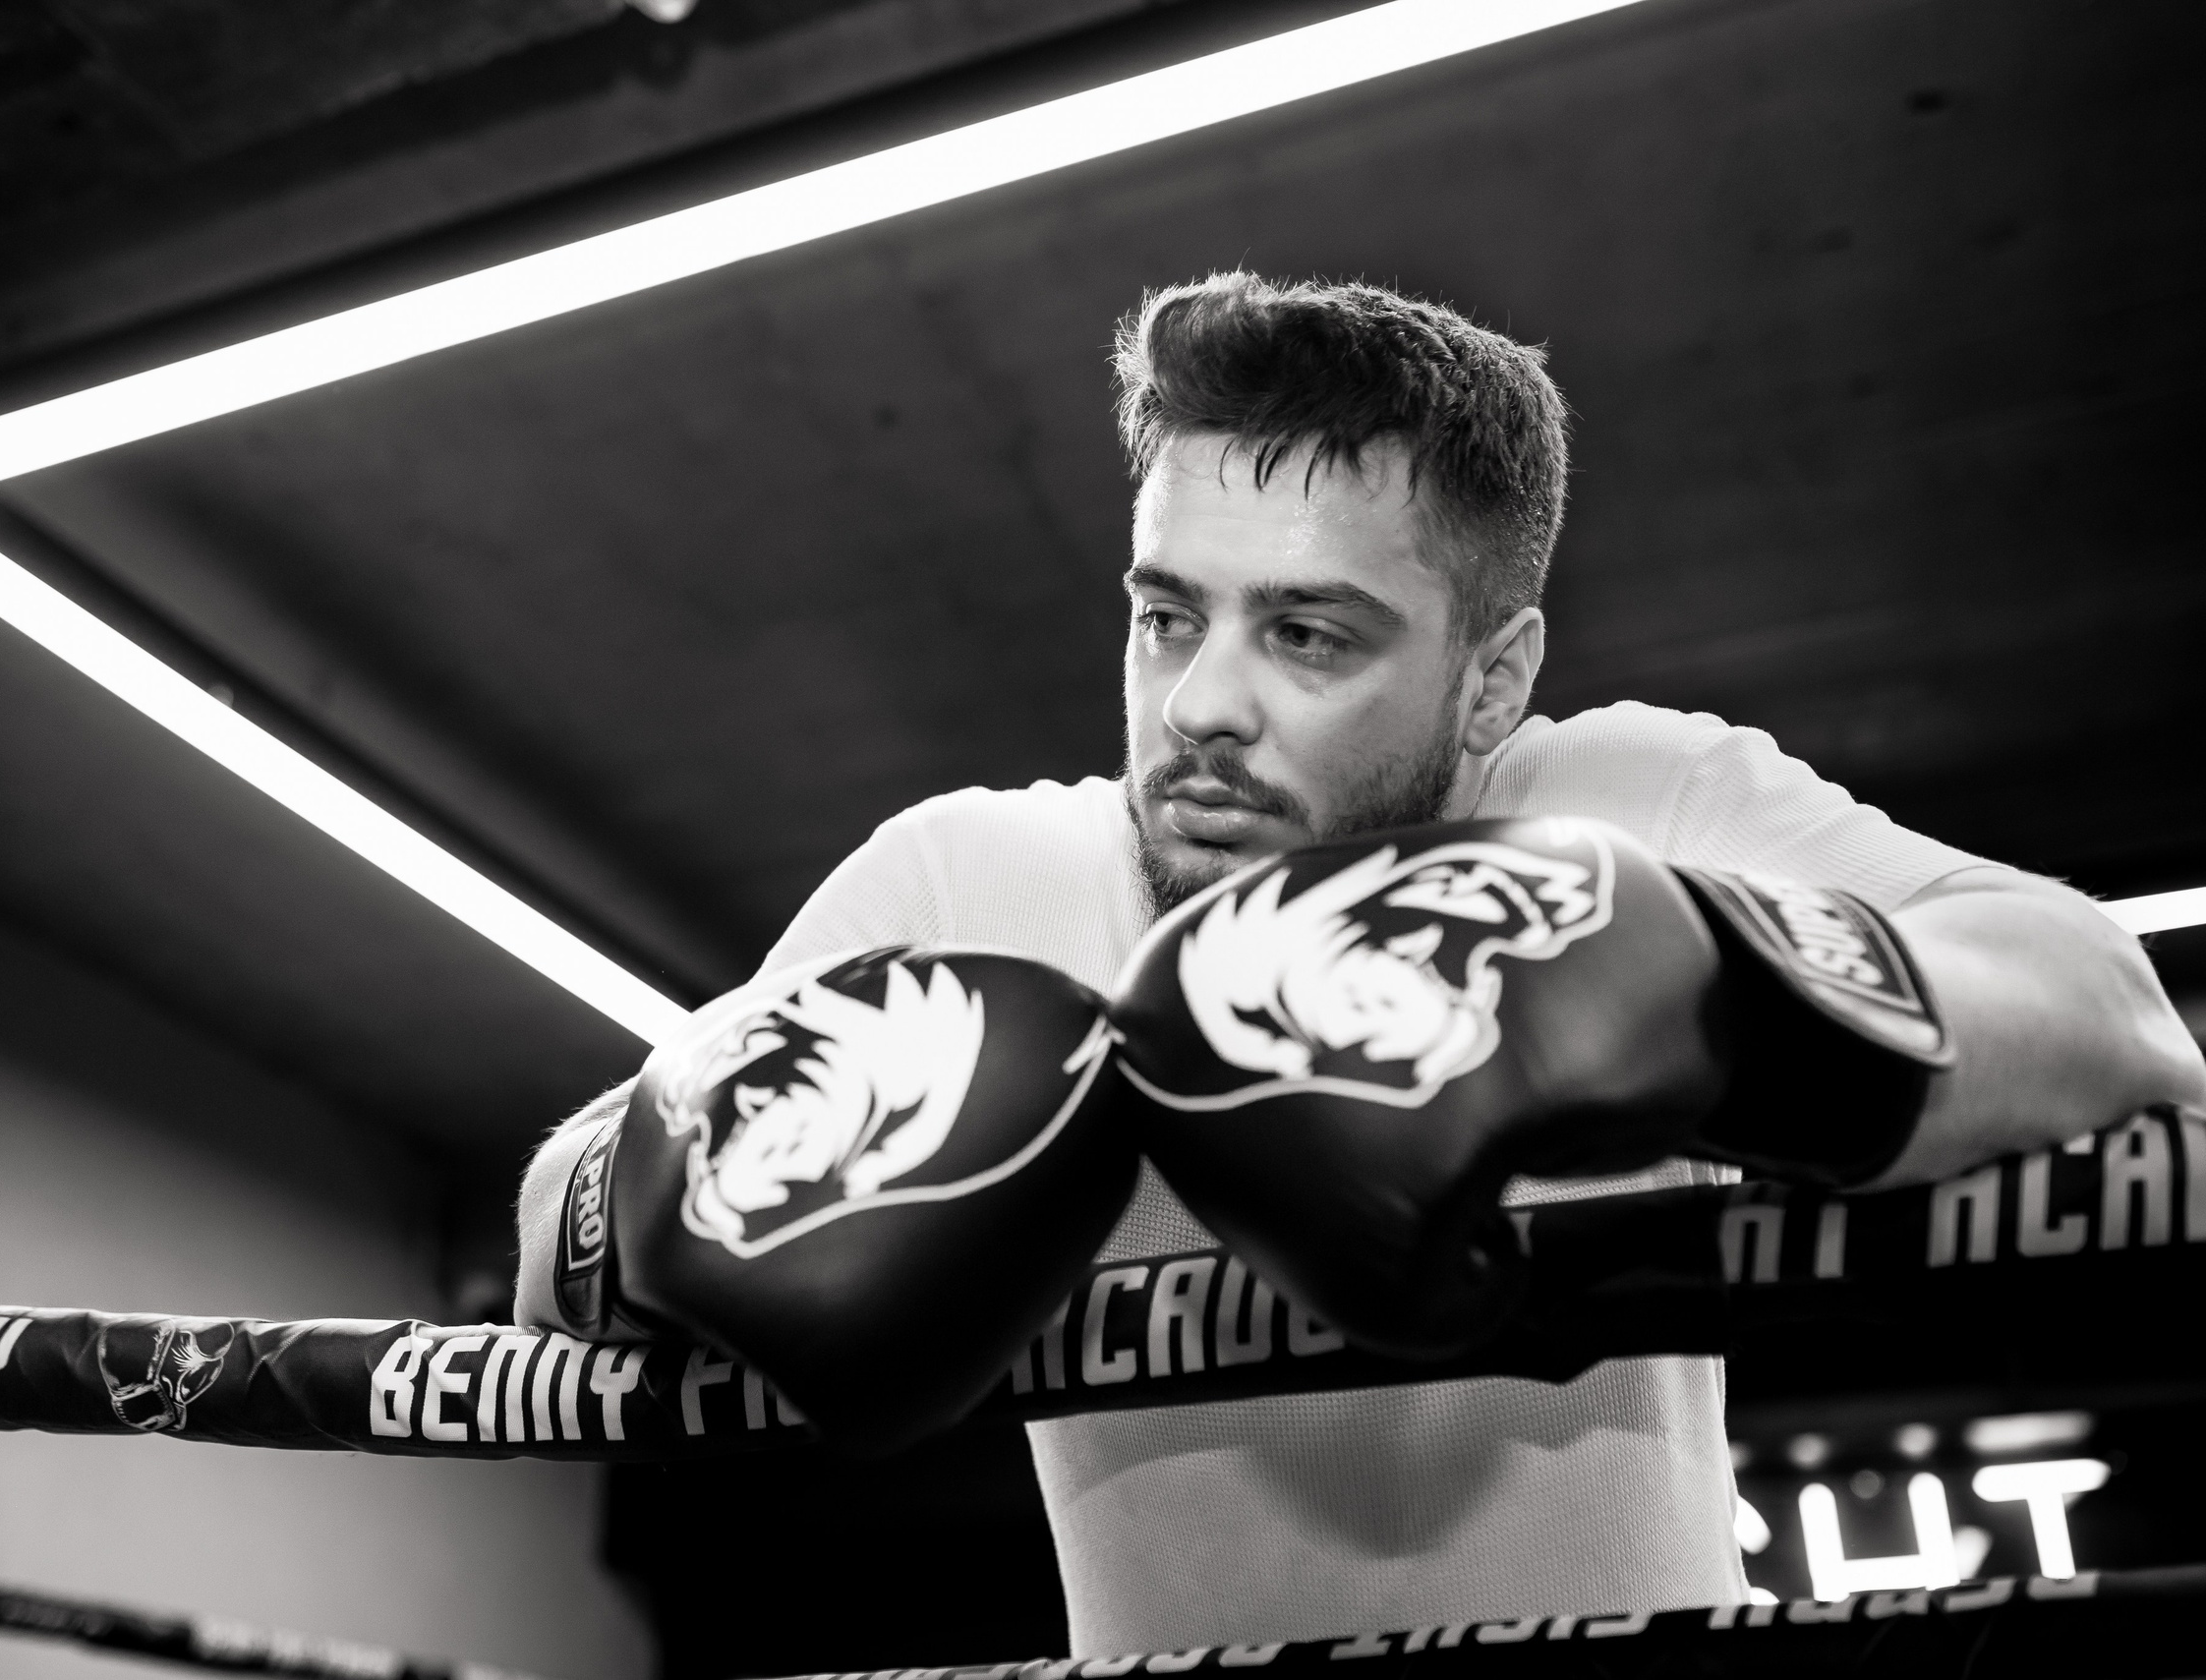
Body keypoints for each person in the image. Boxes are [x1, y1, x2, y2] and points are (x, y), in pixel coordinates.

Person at [516, 271, 2204, 1651]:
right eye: (1167, 614)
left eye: (1308, 634)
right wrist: (669, 1190)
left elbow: (2106, 1000)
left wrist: (1710, 983)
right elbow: (553, 1231)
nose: (1199, 707)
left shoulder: (1623, 806)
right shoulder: (981, 883)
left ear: (1490, 678)